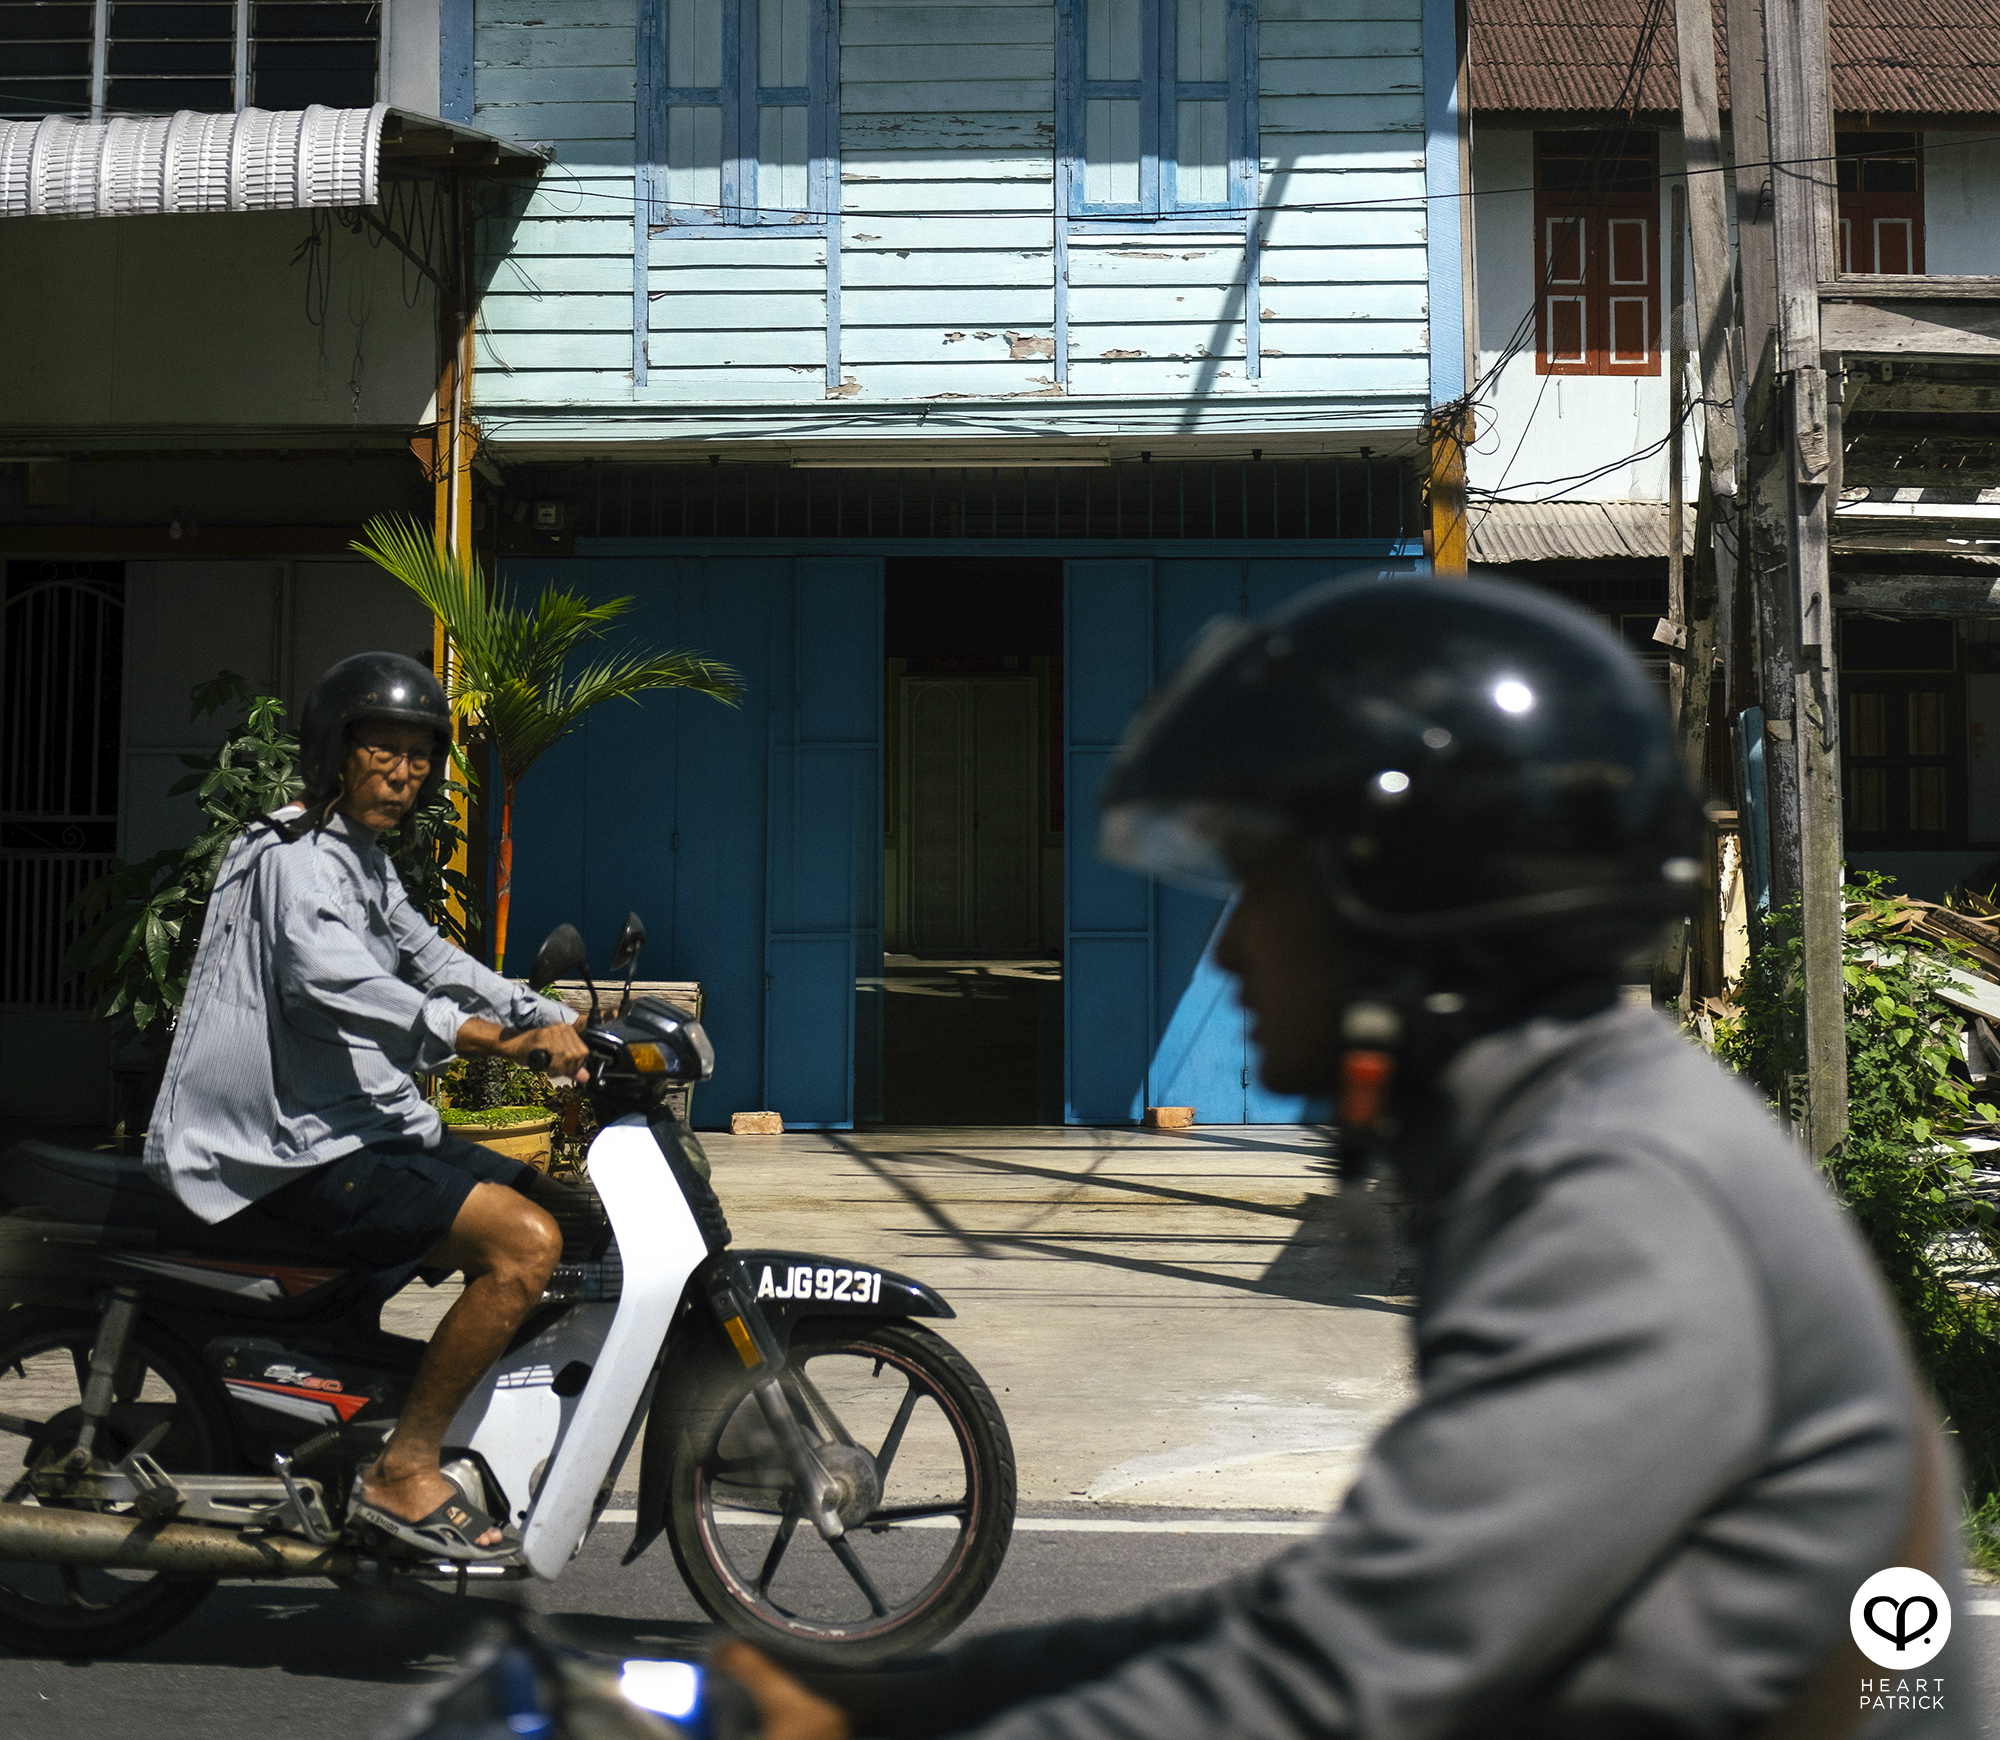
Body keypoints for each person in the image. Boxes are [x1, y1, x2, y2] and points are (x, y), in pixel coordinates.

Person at [718, 574, 1975, 1740]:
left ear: (1402, 912)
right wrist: (895, 1702)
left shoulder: (1612, 1197)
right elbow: (1324, 1614)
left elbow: (1339, 1679)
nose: (1229, 953)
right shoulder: (1560, 1131)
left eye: (1267, 890)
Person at [145, 649, 590, 1567]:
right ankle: (403, 1469)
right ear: (334, 753)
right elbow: (335, 983)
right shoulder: (296, 859)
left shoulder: (359, 857)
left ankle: (464, 1423)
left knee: (574, 1219)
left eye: (419, 756)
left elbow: (429, 956)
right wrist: (490, 1039)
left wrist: (548, 1014)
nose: (402, 772)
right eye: (381, 751)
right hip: (287, 1146)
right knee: (524, 1243)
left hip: (356, 1126)